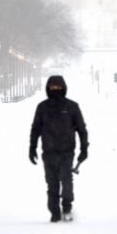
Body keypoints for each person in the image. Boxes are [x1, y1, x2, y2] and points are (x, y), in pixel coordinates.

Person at [29, 75, 88, 222]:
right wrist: (32, 147)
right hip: (48, 153)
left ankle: (67, 207)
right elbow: (35, 128)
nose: (55, 90)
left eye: (58, 87)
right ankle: (55, 212)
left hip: (66, 152)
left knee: (67, 181)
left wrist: (84, 149)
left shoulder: (72, 107)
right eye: (52, 87)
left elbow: (81, 129)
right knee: (52, 184)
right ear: (48, 88)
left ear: (63, 88)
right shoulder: (42, 107)